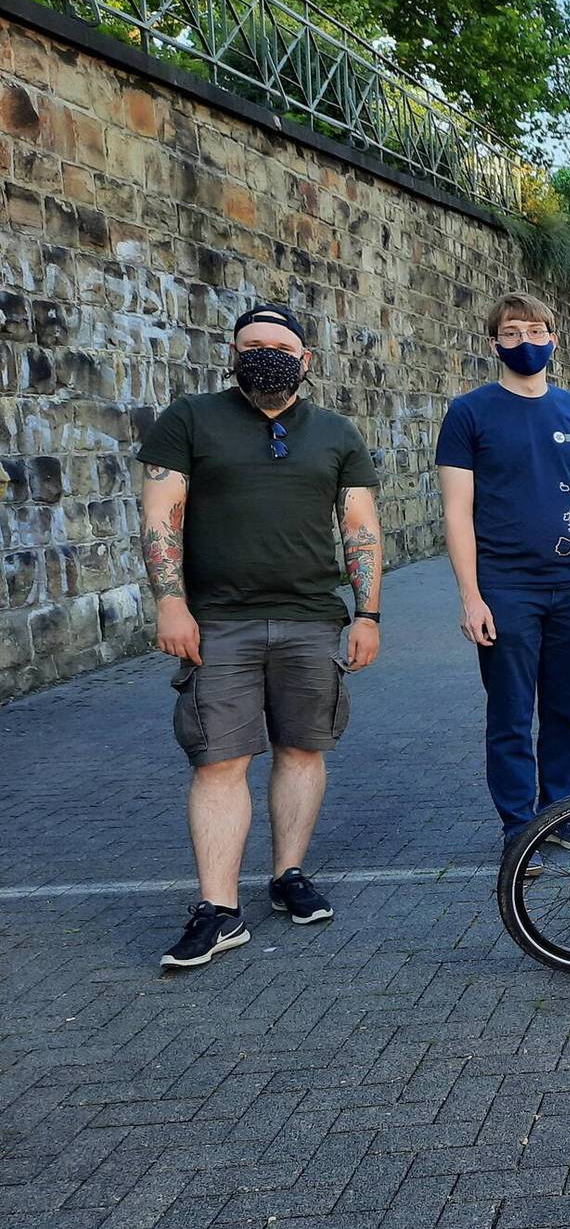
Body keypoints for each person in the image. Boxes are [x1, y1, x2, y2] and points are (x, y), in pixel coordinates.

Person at [138, 304, 383, 968]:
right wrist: (170, 603)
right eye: (252, 345)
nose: (265, 355)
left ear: (306, 360)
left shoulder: (335, 431)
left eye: (279, 346)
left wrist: (368, 614)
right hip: (218, 621)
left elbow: (360, 526)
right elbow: (161, 513)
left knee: (302, 749)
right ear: (232, 353)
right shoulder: (190, 419)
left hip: (311, 618)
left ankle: (288, 875)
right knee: (218, 759)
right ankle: (219, 911)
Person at [436, 292, 570, 872]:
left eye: (536, 331)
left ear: (553, 339)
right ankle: (519, 826)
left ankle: (559, 810)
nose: (526, 341)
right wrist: (471, 596)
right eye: (512, 333)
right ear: (495, 344)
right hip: (506, 587)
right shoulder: (469, 413)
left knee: (568, 709)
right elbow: (456, 511)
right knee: (512, 712)